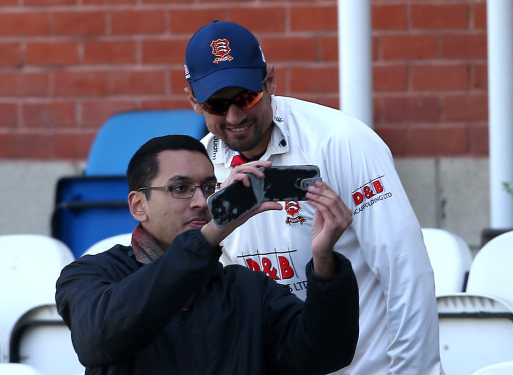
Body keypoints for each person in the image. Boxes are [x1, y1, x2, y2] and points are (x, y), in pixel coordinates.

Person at [184, 21, 443, 374]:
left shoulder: (340, 141)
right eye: (216, 104)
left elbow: (404, 269)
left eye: (247, 97)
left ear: (269, 81)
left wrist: (414, 371)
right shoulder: (201, 167)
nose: (234, 116)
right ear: (193, 101)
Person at [55, 134, 359, 374]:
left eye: (209, 187)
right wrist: (210, 235)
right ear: (138, 205)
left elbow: (324, 355)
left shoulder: (248, 289)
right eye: (180, 188)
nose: (201, 201)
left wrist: (324, 263)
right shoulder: (89, 274)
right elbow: (99, 336)